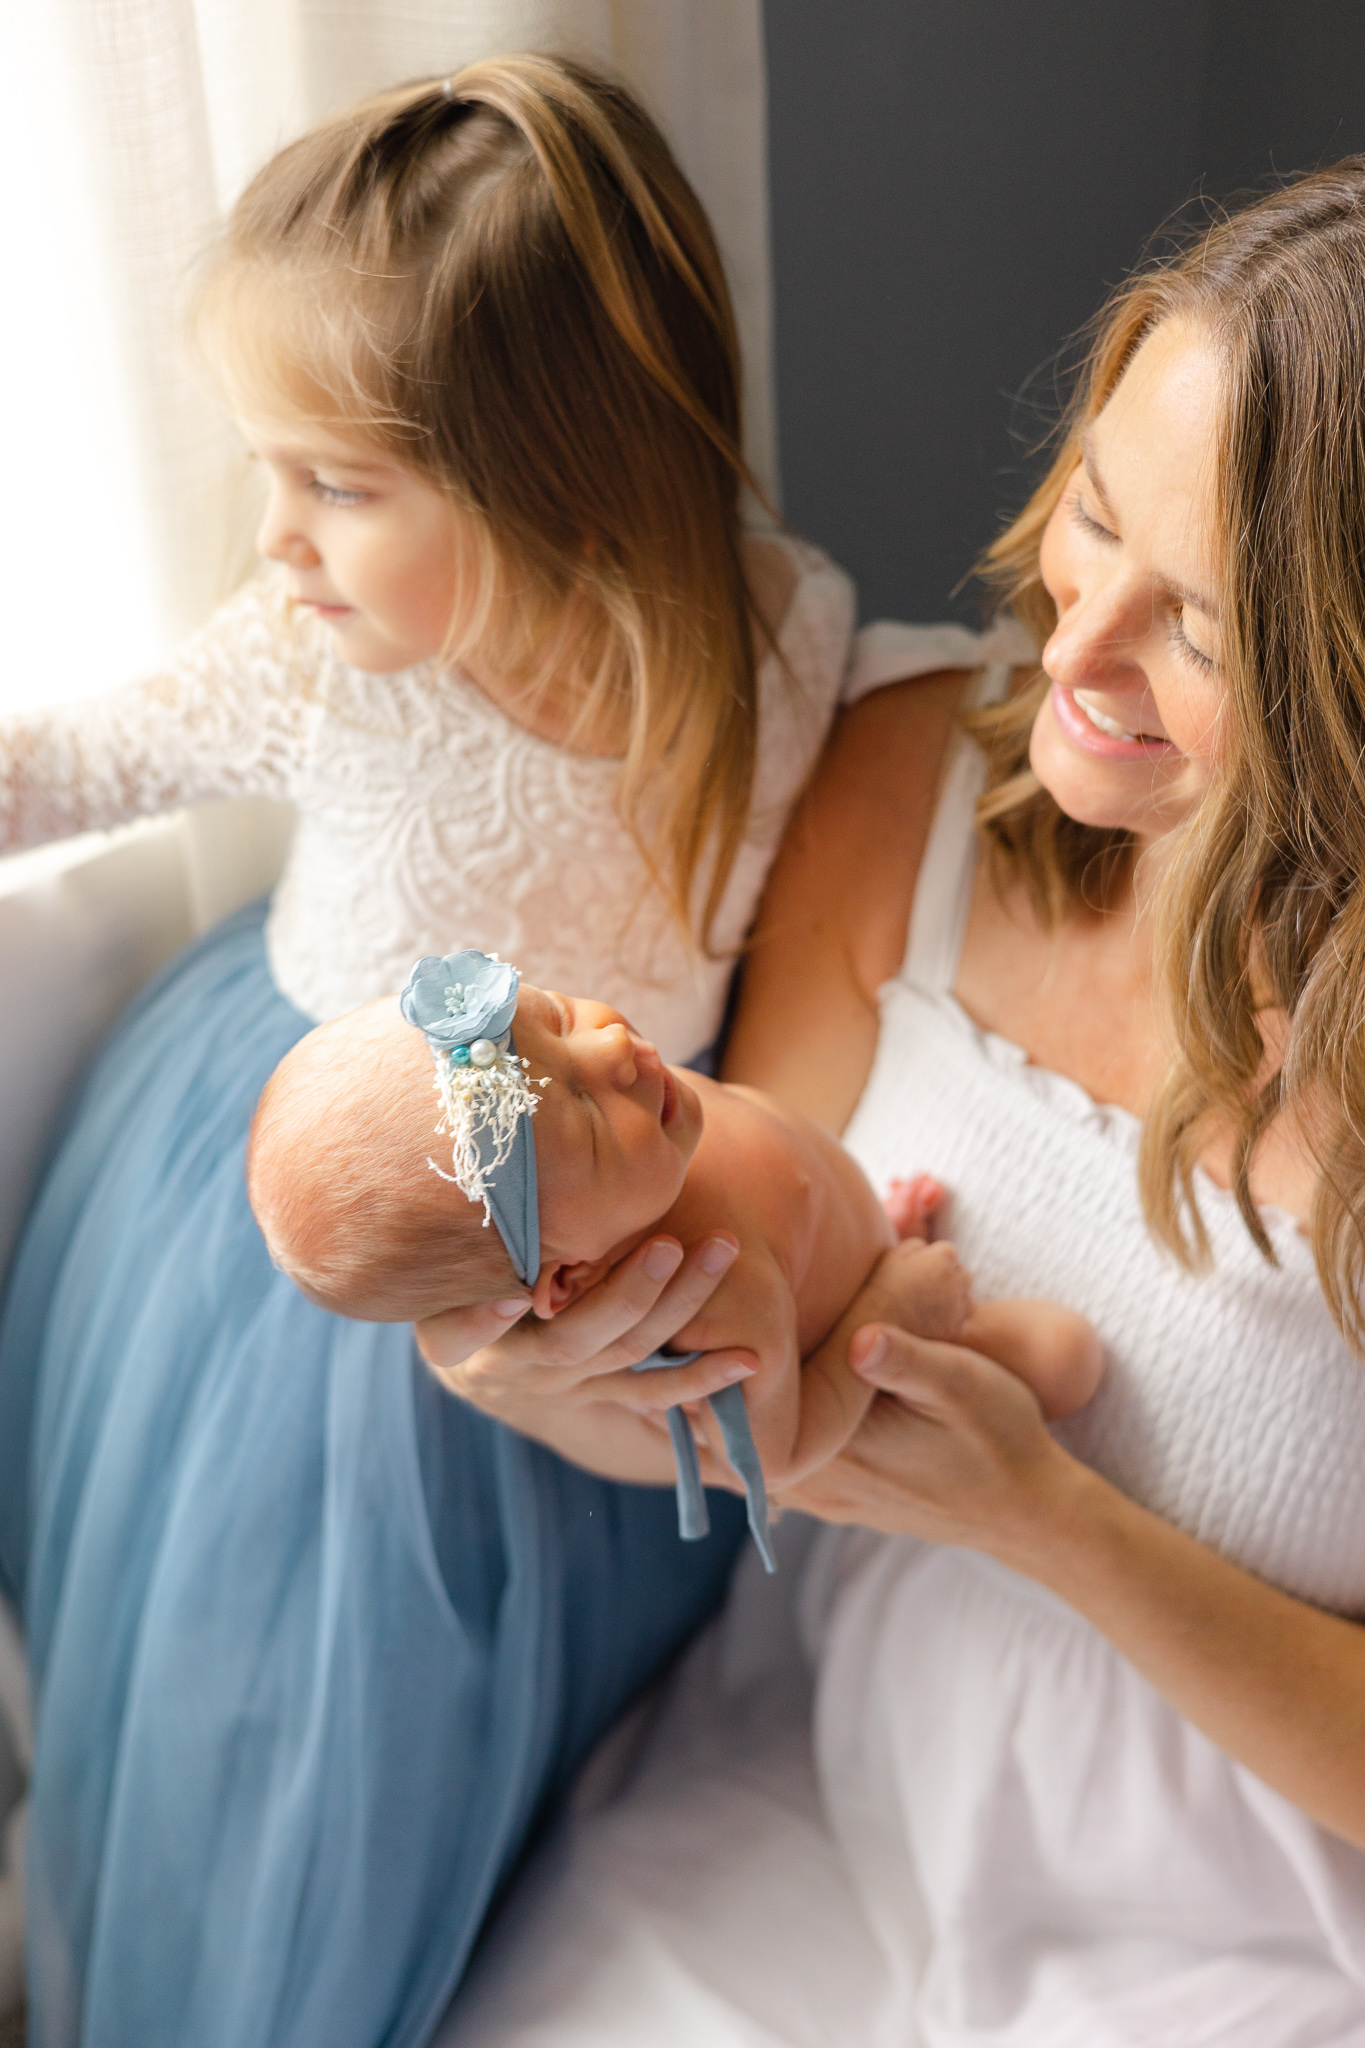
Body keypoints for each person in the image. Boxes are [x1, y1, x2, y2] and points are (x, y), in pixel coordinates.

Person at [0, 54, 1000, 2048]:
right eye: (273, 471)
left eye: (339, 485)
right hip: (311, 1225)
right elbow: (71, 763)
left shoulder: (775, 644)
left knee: (512, 1700)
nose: (273, 537)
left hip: (602, 1220)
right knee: (289, 1687)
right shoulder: (320, 662)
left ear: (553, 472)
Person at [421, 161, 1365, 2045]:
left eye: (1201, 626)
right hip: (831, 1791)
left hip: (1264, 1930)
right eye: (1096, 517)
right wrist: (544, 1381)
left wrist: (1056, 1521)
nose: (1075, 654)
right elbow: (758, 1390)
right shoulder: (908, 772)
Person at [245, 965, 1099, 1465]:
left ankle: (874, 1236)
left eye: (553, 1018)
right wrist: (887, 1310)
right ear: (570, 1273)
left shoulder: (632, 1148)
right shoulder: (709, 1287)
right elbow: (781, 1453)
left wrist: (855, 1224)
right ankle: (941, 1323)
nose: (611, 1046)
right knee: (1065, 1356)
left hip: (832, 1236)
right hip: (859, 1347)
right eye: (580, 1105)